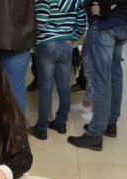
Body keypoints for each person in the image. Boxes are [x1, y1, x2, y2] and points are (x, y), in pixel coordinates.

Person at [67, 0, 127, 151]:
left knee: (101, 80)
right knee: (114, 77)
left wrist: (103, 8)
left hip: (104, 25)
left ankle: (95, 134)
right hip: (121, 24)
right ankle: (110, 123)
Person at [30, 0, 86, 140]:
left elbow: (41, 21)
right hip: (67, 45)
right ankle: (60, 123)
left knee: (45, 88)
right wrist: (71, 37)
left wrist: (36, 38)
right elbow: (81, 24)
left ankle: (42, 128)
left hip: (47, 44)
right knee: (64, 87)